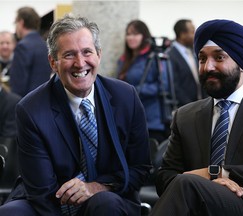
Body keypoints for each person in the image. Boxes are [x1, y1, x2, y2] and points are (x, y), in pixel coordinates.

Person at [0, 14, 151, 215]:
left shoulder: (126, 97)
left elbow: (140, 168)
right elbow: (41, 189)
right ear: (53, 62)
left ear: (99, 54)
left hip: (109, 197)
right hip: (49, 199)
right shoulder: (30, 109)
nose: (80, 63)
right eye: (69, 54)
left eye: (87, 52)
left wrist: (96, 187)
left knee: (105, 203)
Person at [150, 19, 243, 216]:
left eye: (219, 58)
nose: (208, 67)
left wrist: (216, 173)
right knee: (185, 183)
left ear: (241, 63)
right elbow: (164, 178)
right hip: (197, 206)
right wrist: (205, 185)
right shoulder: (185, 115)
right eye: (202, 59)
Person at [117, 20, 172, 143]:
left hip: (152, 120)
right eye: (129, 34)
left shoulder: (154, 58)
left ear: (144, 36)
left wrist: (134, 90)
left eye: (135, 34)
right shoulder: (124, 59)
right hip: (129, 118)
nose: (131, 38)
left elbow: (163, 86)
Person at [9, 6, 51, 97]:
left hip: (26, 104)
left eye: (15, 23)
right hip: (43, 100)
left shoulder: (22, 46)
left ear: (21, 22)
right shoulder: (44, 45)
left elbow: (18, 85)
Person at [166, 19, 205, 107]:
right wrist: (190, 105)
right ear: (182, 34)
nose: (195, 35)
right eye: (192, 31)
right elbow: (174, 86)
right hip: (184, 107)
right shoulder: (170, 55)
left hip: (200, 105)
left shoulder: (194, 52)